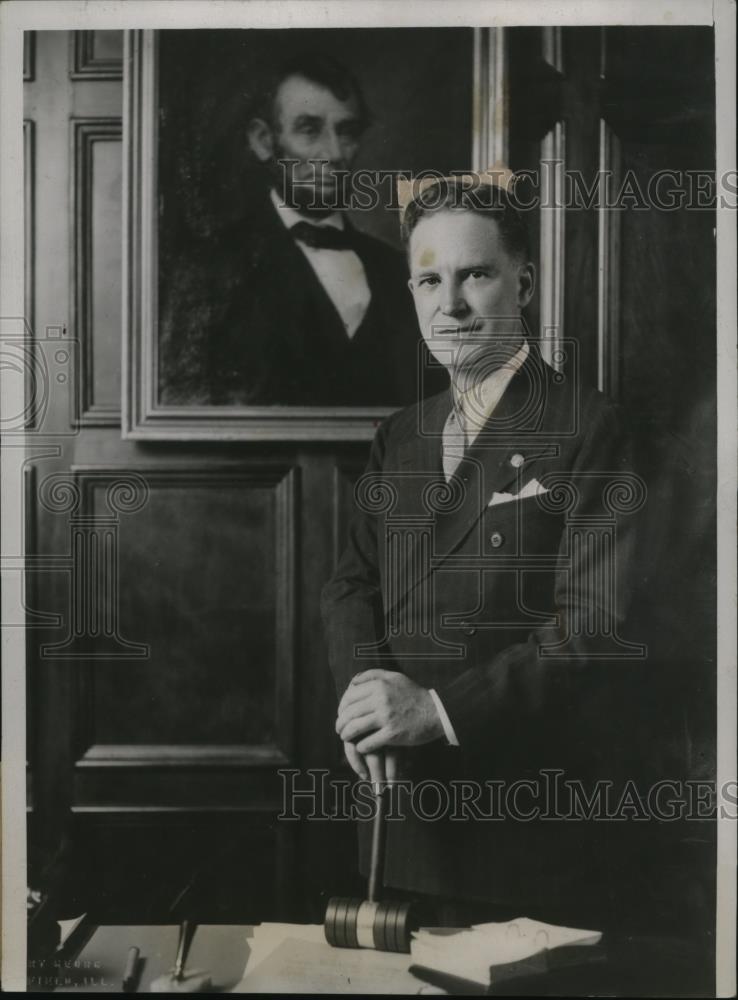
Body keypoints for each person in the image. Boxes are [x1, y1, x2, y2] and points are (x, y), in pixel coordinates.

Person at [321, 175, 652, 931]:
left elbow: (594, 625)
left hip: (524, 835)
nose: (451, 305)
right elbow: (349, 586)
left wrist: (436, 711)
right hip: (395, 820)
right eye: (429, 280)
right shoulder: (399, 434)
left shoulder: (590, 427)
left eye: (475, 274)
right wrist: (366, 703)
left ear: (523, 282)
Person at [159, 52, 443, 407]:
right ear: (263, 141)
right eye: (310, 130)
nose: (334, 152)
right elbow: (181, 409)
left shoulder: (401, 273)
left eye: (347, 132)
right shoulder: (208, 270)